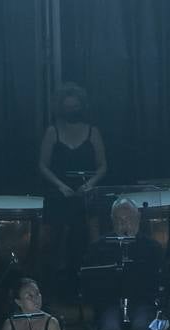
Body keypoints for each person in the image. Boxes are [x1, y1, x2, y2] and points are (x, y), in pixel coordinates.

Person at [82, 197, 167, 330]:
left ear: (138, 219)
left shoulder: (151, 247)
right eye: (119, 219)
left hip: (141, 303)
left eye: (128, 218)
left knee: (142, 328)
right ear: (112, 221)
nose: (124, 223)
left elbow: (161, 282)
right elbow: (89, 282)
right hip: (110, 303)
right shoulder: (100, 246)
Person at [38, 83, 108, 301]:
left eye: (75, 107)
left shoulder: (92, 131)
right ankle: (56, 287)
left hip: (87, 188)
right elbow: (42, 165)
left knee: (92, 233)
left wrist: (91, 184)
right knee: (57, 237)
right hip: (61, 190)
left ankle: (97, 282)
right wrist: (60, 185)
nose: (72, 110)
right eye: (68, 107)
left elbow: (103, 165)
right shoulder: (52, 131)